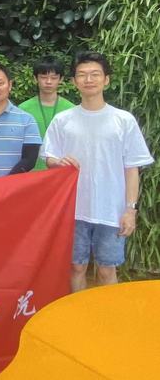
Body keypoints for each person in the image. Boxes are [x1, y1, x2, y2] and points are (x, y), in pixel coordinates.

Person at [43, 51, 154, 292]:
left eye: (95, 74)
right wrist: (57, 162)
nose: (88, 79)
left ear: (106, 80)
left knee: (106, 270)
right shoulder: (63, 120)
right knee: (76, 267)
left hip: (111, 210)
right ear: (74, 81)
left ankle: (110, 314)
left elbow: (132, 168)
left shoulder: (123, 120)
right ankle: (79, 313)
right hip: (73, 210)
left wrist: (130, 210)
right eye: (82, 75)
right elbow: (49, 156)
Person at [19, 57, 75, 170]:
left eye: (54, 78)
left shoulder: (71, 110)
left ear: (61, 79)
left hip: (61, 172)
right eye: (43, 77)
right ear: (35, 78)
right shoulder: (23, 109)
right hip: (30, 171)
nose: (48, 82)